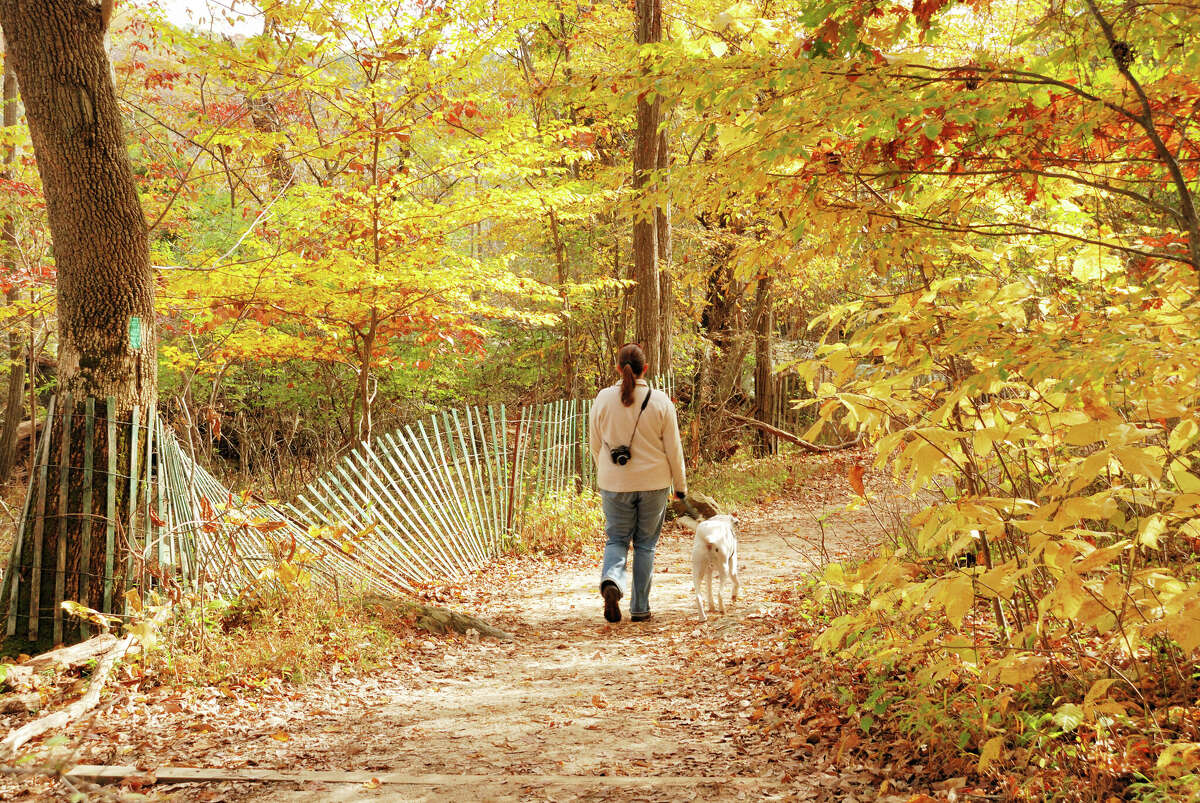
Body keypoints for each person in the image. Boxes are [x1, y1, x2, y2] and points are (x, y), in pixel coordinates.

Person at [588, 343, 686, 623]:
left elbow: (595, 444)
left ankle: (612, 582)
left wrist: (608, 471)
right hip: (654, 483)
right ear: (645, 369)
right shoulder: (661, 401)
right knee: (645, 545)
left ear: (619, 368)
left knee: (617, 539)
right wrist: (680, 486)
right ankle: (640, 608)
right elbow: (674, 449)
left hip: (615, 483)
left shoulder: (603, 399)